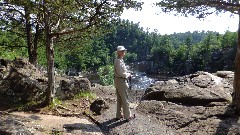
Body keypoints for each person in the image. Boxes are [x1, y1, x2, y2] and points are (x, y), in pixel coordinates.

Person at [114, 46, 134, 121]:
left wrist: (127, 73)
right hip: (121, 81)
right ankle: (128, 116)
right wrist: (128, 75)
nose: (123, 52)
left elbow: (121, 71)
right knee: (125, 99)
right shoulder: (118, 61)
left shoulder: (119, 59)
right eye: (122, 51)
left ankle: (119, 115)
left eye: (124, 51)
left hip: (118, 80)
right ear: (118, 52)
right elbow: (121, 73)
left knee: (119, 99)